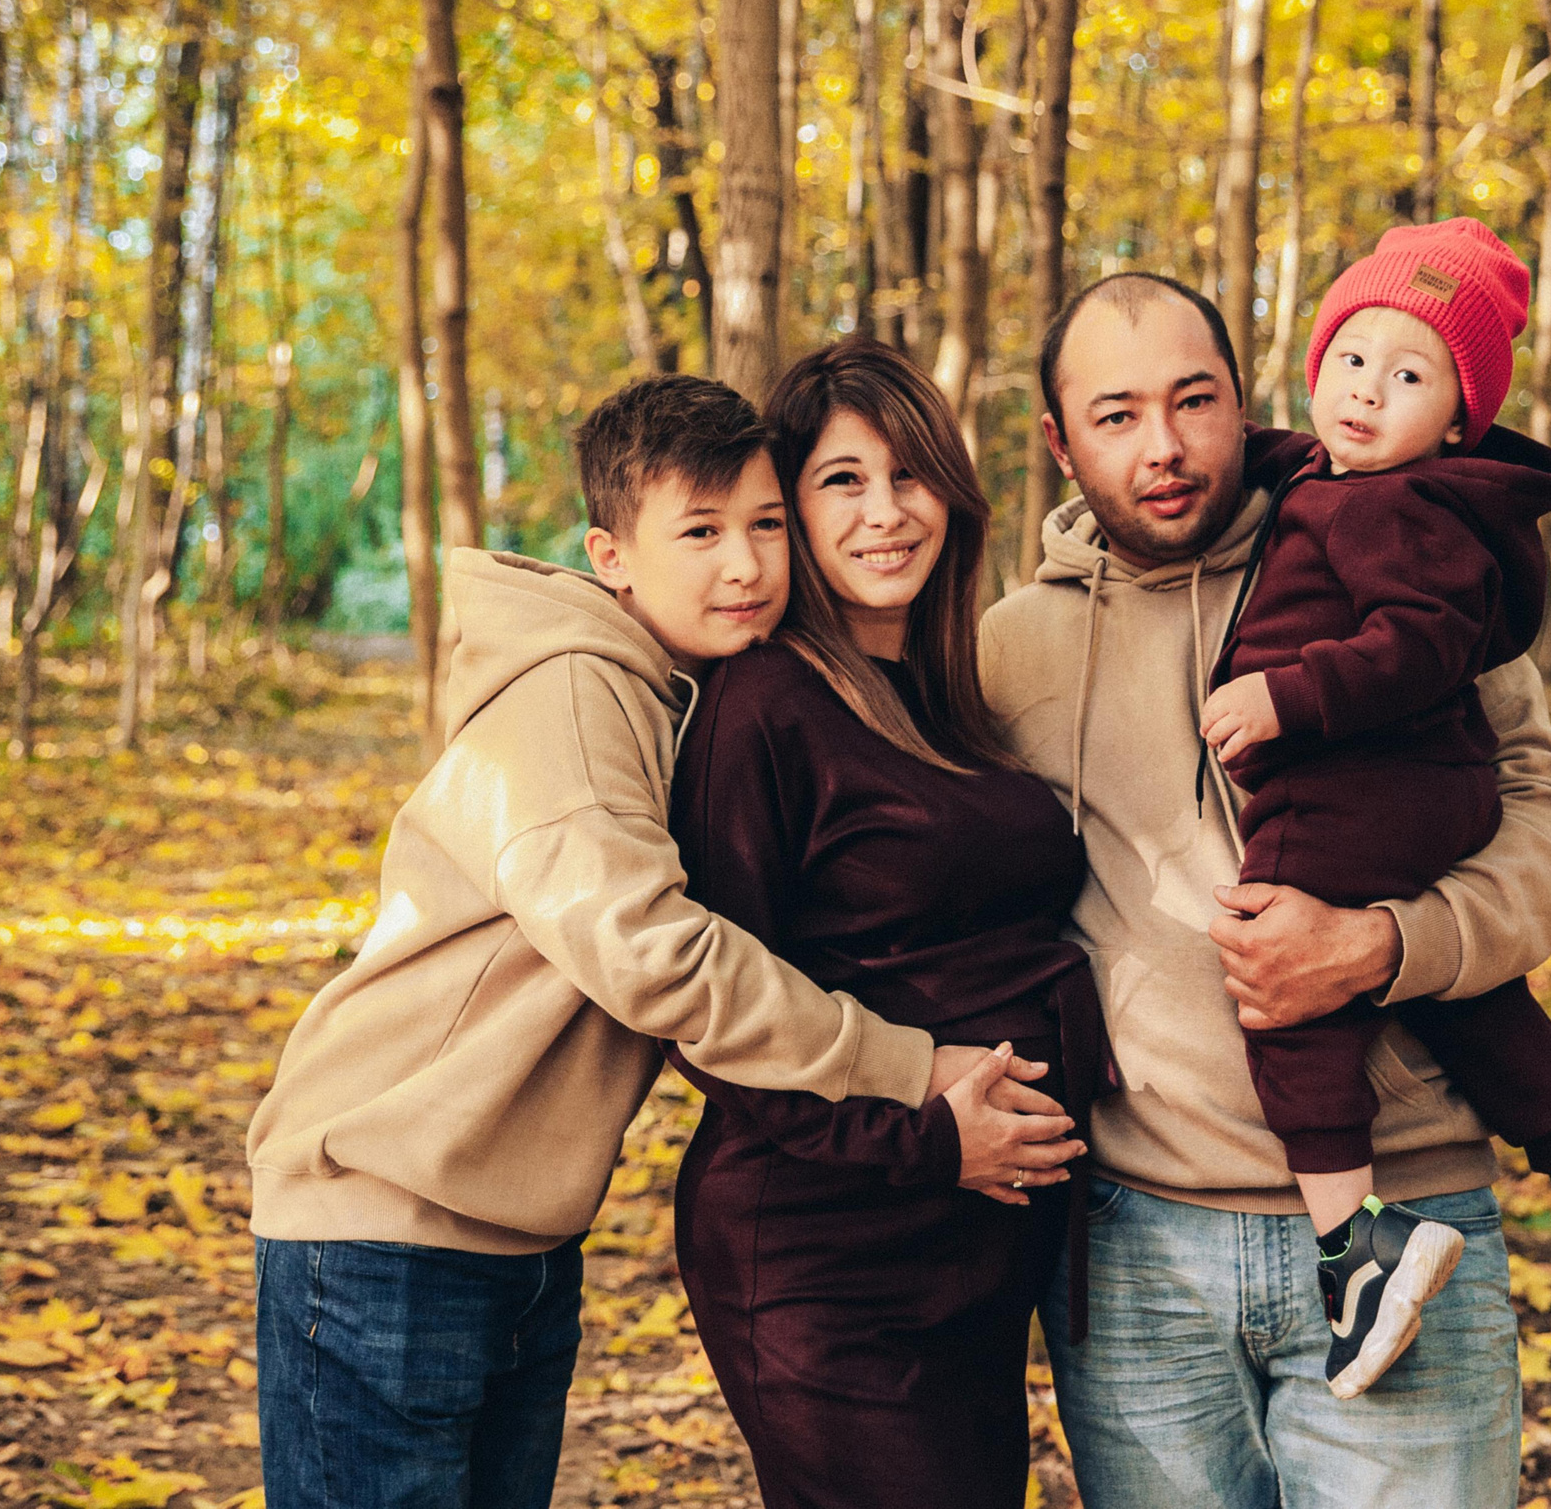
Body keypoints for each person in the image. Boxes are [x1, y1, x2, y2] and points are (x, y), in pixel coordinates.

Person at [245, 375, 1072, 1509]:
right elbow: (648, 947)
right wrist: (907, 1069)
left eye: (764, 526)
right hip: (383, 1222)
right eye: (700, 533)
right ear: (609, 555)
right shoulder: (575, 694)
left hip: (509, 1230)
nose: (744, 565)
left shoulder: (684, 692)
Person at [982, 270, 1551, 1507]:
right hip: (1138, 1250)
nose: (1162, 446)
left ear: (1245, 397)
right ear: (1059, 442)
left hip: (1411, 1208)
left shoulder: (1388, 547)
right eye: (1115, 416)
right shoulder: (1009, 648)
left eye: (1193, 400)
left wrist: (1390, 944)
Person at [1195, 219, 1551, 1399]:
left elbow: (1412, 648)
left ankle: (1354, 1248)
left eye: (1408, 376)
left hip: (1351, 783)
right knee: (1466, 996)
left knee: (1280, 984)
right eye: (1351, 358)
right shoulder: (1340, 478)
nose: (1365, 391)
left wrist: (1284, 696)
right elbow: (1280, 455)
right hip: (1425, 796)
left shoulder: (1390, 511)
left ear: (1458, 420)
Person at [665, 340, 1113, 1509]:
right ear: (791, 515)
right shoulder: (763, 709)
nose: (886, 513)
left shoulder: (944, 691)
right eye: (842, 482)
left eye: (910, 474)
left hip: (972, 1256)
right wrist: (928, 1145)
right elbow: (716, 1017)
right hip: (831, 1256)